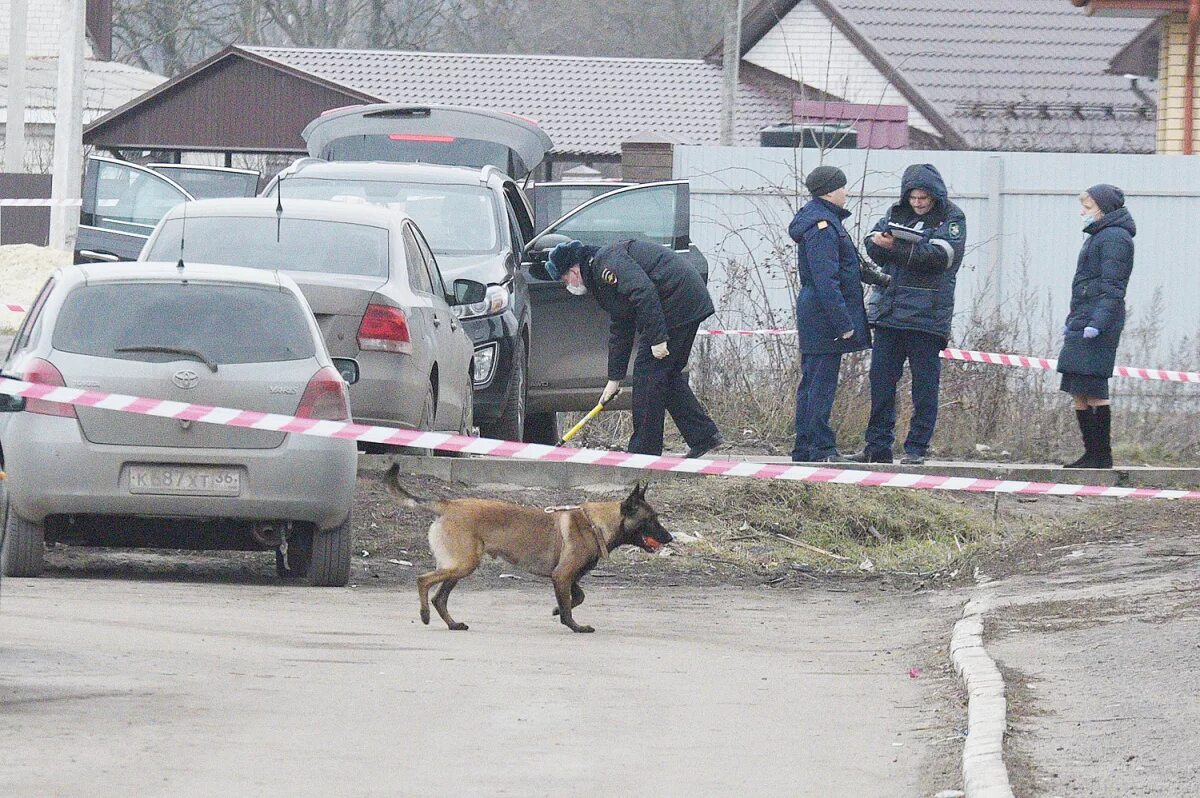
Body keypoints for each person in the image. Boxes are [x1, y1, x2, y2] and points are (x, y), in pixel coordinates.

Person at [545, 237, 723, 458]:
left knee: (647, 376)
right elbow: (621, 325)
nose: (568, 286)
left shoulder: (605, 264)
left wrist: (658, 339)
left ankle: (643, 453)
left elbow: (644, 291)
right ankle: (703, 435)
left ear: (573, 271)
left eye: (564, 280)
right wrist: (614, 378)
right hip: (685, 301)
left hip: (677, 301)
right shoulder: (599, 278)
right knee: (665, 376)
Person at [848, 164, 966, 466]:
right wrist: (879, 244)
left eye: (923, 198)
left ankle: (916, 448)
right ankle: (877, 446)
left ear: (934, 196)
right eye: (913, 197)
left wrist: (895, 246)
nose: (918, 203)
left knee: (924, 386)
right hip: (889, 313)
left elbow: (940, 258)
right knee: (881, 382)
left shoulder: (952, 219)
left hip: (927, 317)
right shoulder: (895, 212)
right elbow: (873, 244)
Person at [788, 165, 880, 462]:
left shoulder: (822, 220)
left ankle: (805, 447)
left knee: (813, 381)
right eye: (842, 187)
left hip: (818, 313)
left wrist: (880, 279)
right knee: (820, 384)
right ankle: (820, 448)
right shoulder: (823, 227)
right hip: (824, 317)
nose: (847, 192)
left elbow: (847, 267)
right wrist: (844, 322)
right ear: (830, 191)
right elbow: (826, 279)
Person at [1057, 185, 1134, 469]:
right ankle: (1090, 453)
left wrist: (1098, 323)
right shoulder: (1098, 236)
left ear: (1104, 208)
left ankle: (1101, 454)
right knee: (1078, 388)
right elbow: (1085, 286)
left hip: (1099, 322)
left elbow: (1112, 287)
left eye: (1088, 207)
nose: (1083, 213)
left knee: (1094, 388)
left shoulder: (1116, 238)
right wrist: (1072, 321)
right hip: (1082, 319)